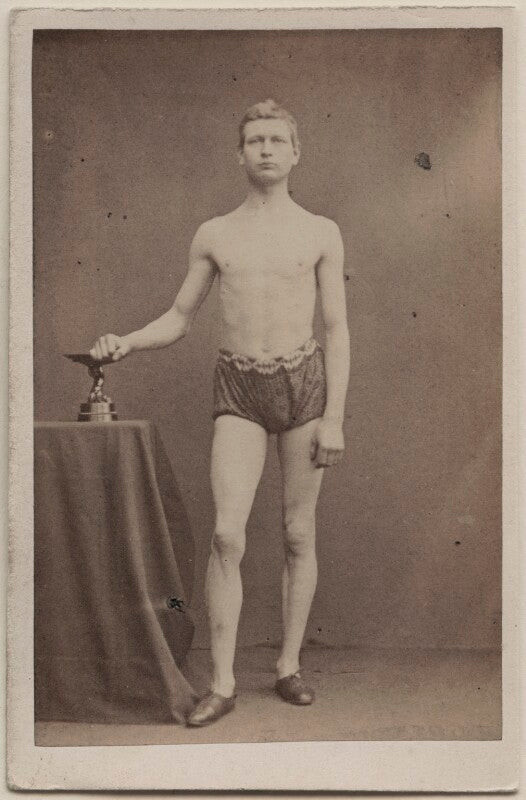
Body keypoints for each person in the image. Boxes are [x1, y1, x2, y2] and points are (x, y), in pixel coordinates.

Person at [90, 99, 350, 727]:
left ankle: (288, 665)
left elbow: (337, 329)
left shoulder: (321, 231)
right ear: (240, 154)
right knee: (227, 535)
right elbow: (180, 317)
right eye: (255, 140)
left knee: (298, 532)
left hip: (305, 387)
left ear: (295, 152)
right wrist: (127, 341)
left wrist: (335, 417)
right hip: (239, 388)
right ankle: (223, 682)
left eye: (277, 140)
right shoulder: (215, 233)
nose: (266, 149)